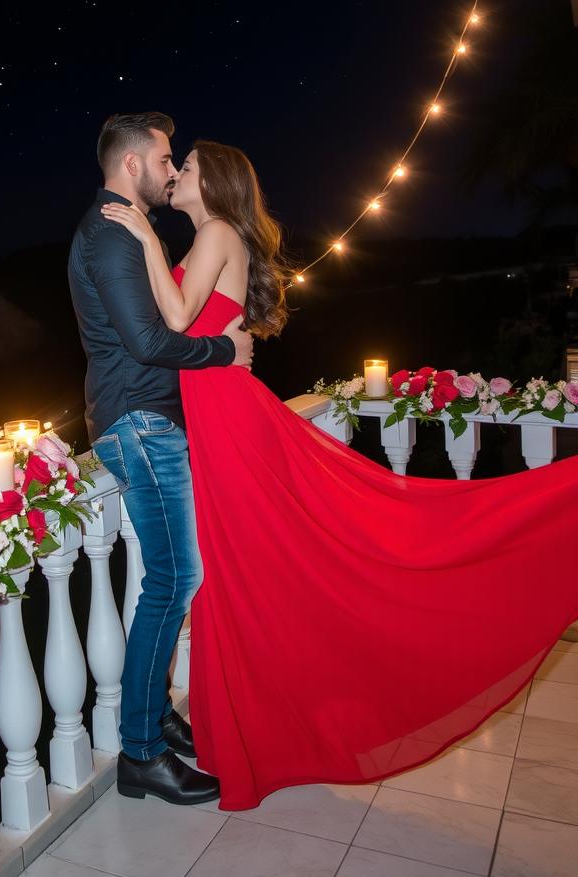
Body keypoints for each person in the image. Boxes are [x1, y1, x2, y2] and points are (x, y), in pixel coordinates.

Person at [99, 138, 578, 811]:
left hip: (229, 425)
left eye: (191, 166)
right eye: (174, 165)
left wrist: (144, 236)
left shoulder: (212, 231)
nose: (177, 172)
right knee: (238, 578)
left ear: (216, 184)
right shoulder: (211, 235)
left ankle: (255, 734)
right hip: (216, 421)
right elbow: (179, 329)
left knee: (252, 572)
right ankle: (246, 727)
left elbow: (177, 320)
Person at [68, 112, 253, 807]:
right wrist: (222, 353)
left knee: (170, 579)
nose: (174, 169)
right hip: (140, 423)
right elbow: (150, 341)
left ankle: (154, 723)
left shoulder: (115, 228)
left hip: (144, 421)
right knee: (174, 581)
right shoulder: (114, 231)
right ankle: (140, 750)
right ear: (132, 165)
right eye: (167, 158)